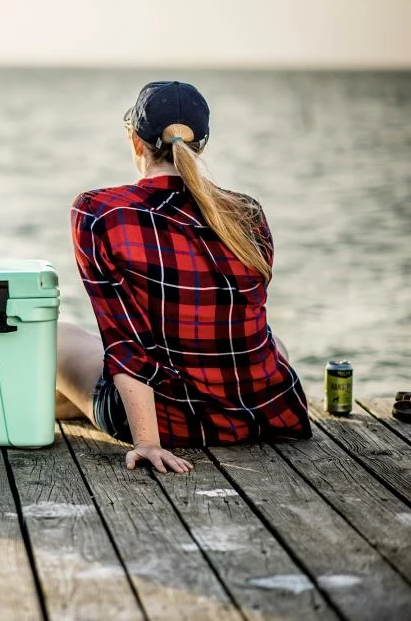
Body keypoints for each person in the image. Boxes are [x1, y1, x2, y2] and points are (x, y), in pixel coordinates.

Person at [56, 81, 311, 473]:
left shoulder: (99, 212)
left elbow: (125, 342)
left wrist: (147, 441)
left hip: (169, 421)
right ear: (201, 146)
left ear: (135, 141)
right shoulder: (247, 212)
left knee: (57, 338)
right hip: (262, 413)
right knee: (275, 343)